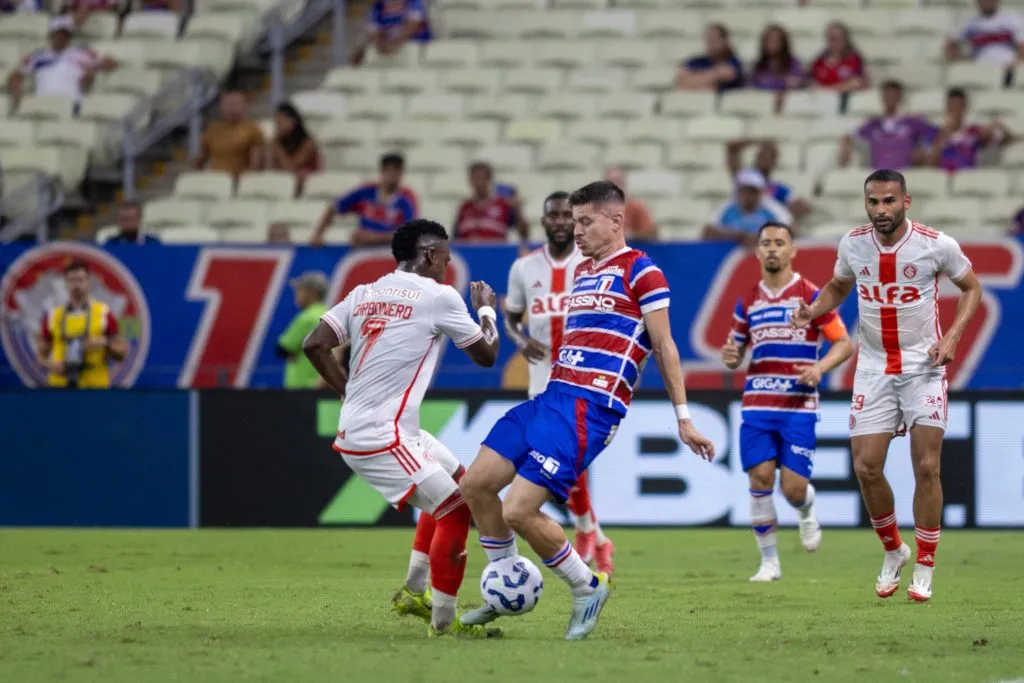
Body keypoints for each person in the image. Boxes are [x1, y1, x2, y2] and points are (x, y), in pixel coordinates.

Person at [458, 181, 715, 640]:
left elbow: (664, 346)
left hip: (590, 407)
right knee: (475, 485)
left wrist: (684, 418)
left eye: (585, 222)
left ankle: (587, 586)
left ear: (615, 221)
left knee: (518, 510)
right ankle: (506, 584)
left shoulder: (643, 271)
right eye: (574, 222)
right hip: (550, 396)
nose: (576, 231)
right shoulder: (583, 271)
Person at [790, 169, 983, 602]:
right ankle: (894, 550)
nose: (881, 209)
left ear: (905, 202)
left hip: (922, 366)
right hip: (873, 368)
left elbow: (972, 288)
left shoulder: (936, 244)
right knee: (866, 466)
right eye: (873, 201)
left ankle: (926, 564)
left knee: (927, 466)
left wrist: (952, 337)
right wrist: (813, 310)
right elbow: (839, 285)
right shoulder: (853, 243)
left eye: (889, 201)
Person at [302, 219, 501, 637]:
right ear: (428, 254)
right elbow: (487, 355)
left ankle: (414, 590)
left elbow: (315, 343)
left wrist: (347, 392)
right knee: (457, 509)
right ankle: (444, 623)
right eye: (445, 256)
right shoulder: (439, 296)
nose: (447, 264)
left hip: (387, 428)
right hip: (382, 436)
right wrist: (486, 309)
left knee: (459, 483)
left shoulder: (364, 292)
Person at [721, 222, 853, 582]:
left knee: (792, 489)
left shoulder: (811, 295)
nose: (772, 248)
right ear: (757, 252)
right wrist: (731, 356)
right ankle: (769, 563)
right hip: (758, 405)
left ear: (793, 250)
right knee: (760, 479)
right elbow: (735, 353)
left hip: (797, 406)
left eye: (780, 243)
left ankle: (806, 509)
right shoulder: (747, 300)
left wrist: (820, 367)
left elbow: (843, 343)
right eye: (766, 243)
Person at [504, 191, 614, 575]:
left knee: (565, 460)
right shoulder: (524, 268)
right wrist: (521, 341)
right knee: (562, 465)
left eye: (568, 216)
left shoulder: (593, 265)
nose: (561, 222)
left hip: (582, 379)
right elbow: (511, 319)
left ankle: (586, 532)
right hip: (541, 381)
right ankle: (596, 536)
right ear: (544, 221)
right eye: (554, 215)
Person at [36, 259, 128, 389]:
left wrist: (106, 343)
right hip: (60, 387)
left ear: (88, 282)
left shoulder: (104, 314)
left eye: (80, 280)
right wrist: (51, 365)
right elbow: (41, 356)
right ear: (65, 283)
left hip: (95, 388)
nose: (76, 285)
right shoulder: (53, 316)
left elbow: (122, 353)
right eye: (72, 280)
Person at [6, 17, 118, 111]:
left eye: (65, 35)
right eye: (58, 34)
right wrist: (17, 93)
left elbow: (112, 63)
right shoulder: (38, 56)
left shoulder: (81, 53)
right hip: (43, 104)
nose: (61, 38)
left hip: (72, 104)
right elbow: (15, 77)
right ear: (51, 35)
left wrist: (93, 69)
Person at [311, 153, 418, 247]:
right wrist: (318, 235)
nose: (392, 175)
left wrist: (372, 238)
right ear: (382, 171)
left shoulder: (407, 198)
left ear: (401, 173)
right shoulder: (366, 192)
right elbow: (334, 207)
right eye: (389, 170)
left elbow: (409, 233)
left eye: (396, 171)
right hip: (363, 253)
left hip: (389, 255)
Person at [838, 80, 937, 170]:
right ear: (882, 97)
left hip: (905, 172)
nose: (890, 99)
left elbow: (936, 135)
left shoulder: (913, 121)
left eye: (893, 96)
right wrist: (845, 145)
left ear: (900, 97)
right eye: (887, 95)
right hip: (878, 174)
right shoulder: (873, 124)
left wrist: (925, 149)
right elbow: (850, 136)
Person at [926, 88, 1015, 172]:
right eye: (952, 106)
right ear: (947, 108)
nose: (955, 110)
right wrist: (943, 135)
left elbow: (1009, 140)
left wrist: (999, 124)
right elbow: (929, 165)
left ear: (965, 108)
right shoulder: (936, 133)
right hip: (942, 177)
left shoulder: (974, 131)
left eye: (958, 106)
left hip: (968, 176)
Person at [726, 139, 811, 222]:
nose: (765, 159)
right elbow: (732, 147)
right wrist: (761, 140)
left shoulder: (778, 188)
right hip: (738, 222)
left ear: (775, 162)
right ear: (757, 157)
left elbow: (802, 207)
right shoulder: (744, 177)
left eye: (771, 157)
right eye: (762, 156)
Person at [703, 169, 792, 246]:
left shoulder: (771, 207)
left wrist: (761, 237)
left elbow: (791, 230)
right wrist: (739, 236)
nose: (747, 195)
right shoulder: (727, 207)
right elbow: (708, 231)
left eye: (752, 191)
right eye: (744, 191)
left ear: (760, 192)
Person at [191, 91, 265, 178]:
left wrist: (245, 180)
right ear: (221, 107)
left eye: (235, 104)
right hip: (216, 179)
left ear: (245, 106)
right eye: (228, 104)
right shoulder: (212, 130)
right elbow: (200, 159)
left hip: (242, 179)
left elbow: (256, 164)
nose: (231, 108)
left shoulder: (253, 130)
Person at [276, 272, 330, 389]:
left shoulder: (307, 318)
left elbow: (282, 349)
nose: (296, 294)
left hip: (303, 387)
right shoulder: (329, 314)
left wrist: (292, 353)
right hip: (324, 384)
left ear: (312, 293)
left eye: (300, 290)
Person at [452, 162, 525, 244]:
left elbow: (524, 235)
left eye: (481, 178)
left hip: (495, 251)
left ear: (489, 179)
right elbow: (455, 239)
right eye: (474, 178)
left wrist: (518, 209)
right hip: (468, 252)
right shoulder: (464, 207)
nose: (478, 183)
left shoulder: (503, 205)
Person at [946, 0, 1024, 68]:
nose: (987, 2)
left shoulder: (1013, 19)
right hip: (978, 65)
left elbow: (1022, 46)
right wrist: (962, 61)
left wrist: (1017, 65)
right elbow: (952, 44)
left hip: (1007, 64)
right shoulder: (969, 22)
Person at [350, 0, 431, 65]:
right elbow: (374, 31)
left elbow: (413, 25)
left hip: (414, 50)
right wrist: (381, 45)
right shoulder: (378, 6)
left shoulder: (414, 2)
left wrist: (394, 44)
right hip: (388, 50)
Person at [676, 23, 744, 92]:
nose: (710, 43)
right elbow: (681, 81)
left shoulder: (733, 62)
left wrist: (695, 79)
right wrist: (712, 76)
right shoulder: (697, 61)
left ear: (724, 41)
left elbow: (726, 74)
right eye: (708, 39)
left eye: (713, 39)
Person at [269, 102, 321, 190]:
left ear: (293, 121)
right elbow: (273, 169)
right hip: (284, 185)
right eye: (277, 121)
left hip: (307, 186)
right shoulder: (279, 141)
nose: (278, 125)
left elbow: (289, 170)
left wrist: (278, 148)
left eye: (282, 121)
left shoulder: (308, 143)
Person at [807, 22, 868, 93]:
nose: (835, 43)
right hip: (822, 98)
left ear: (845, 40)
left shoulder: (855, 59)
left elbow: (857, 83)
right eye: (831, 38)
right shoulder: (819, 61)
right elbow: (811, 83)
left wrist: (828, 90)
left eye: (838, 38)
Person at [603, 166, 658, 241]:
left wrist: (632, 235)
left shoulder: (636, 208)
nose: (614, 186)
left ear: (624, 183)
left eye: (618, 181)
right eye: (610, 183)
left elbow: (652, 234)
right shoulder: (596, 210)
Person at [748, 24, 804, 92]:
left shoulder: (794, 64)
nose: (771, 44)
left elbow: (799, 82)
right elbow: (750, 86)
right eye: (768, 41)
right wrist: (782, 82)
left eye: (775, 41)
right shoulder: (757, 66)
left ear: (784, 43)